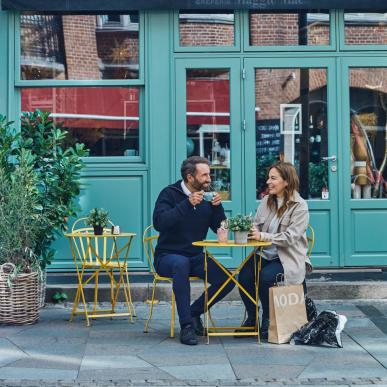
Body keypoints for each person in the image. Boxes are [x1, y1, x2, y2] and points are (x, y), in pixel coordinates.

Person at [153, 156, 235, 345]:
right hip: (167, 256)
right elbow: (160, 223)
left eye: (209, 174)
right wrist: (187, 204)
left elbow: (218, 227)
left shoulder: (207, 196)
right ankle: (187, 326)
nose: (209, 179)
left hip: (196, 256)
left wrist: (217, 208)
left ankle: (193, 312)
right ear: (190, 177)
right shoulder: (169, 194)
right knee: (180, 264)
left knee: (227, 281)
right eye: (204, 175)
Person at [238, 161, 312, 339]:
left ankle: (268, 319)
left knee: (266, 277)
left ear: (286, 181)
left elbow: (290, 237)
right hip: (264, 253)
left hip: (286, 257)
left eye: (273, 178)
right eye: (268, 178)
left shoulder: (300, 206)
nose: (268, 182)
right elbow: (256, 224)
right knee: (244, 277)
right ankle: (252, 317)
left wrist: (263, 236)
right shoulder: (266, 201)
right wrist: (247, 229)